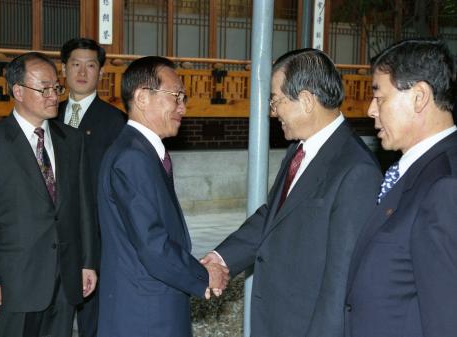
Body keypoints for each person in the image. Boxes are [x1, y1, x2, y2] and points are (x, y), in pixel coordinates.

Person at [201, 49, 382, 337]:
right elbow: (271, 217)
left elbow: (341, 282)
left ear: (307, 100)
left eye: (276, 101)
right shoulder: (299, 151)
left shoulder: (355, 170)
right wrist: (222, 258)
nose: (272, 112)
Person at [0, 52, 98, 337]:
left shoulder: (71, 141)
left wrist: (87, 262)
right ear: (18, 91)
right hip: (14, 283)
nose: (53, 96)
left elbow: (83, 207)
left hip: (66, 278)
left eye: (56, 88)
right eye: (43, 88)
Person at [97, 56, 229, 337]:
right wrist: (204, 275)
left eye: (183, 97)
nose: (182, 106)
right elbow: (152, 244)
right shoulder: (133, 156)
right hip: (145, 315)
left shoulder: (141, 150)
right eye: (175, 96)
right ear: (143, 97)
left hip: (150, 304)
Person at [345, 39, 457, 337]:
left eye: (379, 97)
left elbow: (446, 318)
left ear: (419, 97)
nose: (370, 110)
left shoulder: (445, 185)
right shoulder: (415, 171)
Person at [58, 37, 126, 337]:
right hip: (54, 236)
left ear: (100, 72)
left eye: (90, 65)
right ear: (64, 69)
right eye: (75, 64)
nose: (82, 72)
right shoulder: (48, 115)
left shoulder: (115, 122)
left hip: (95, 236)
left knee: (92, 319)